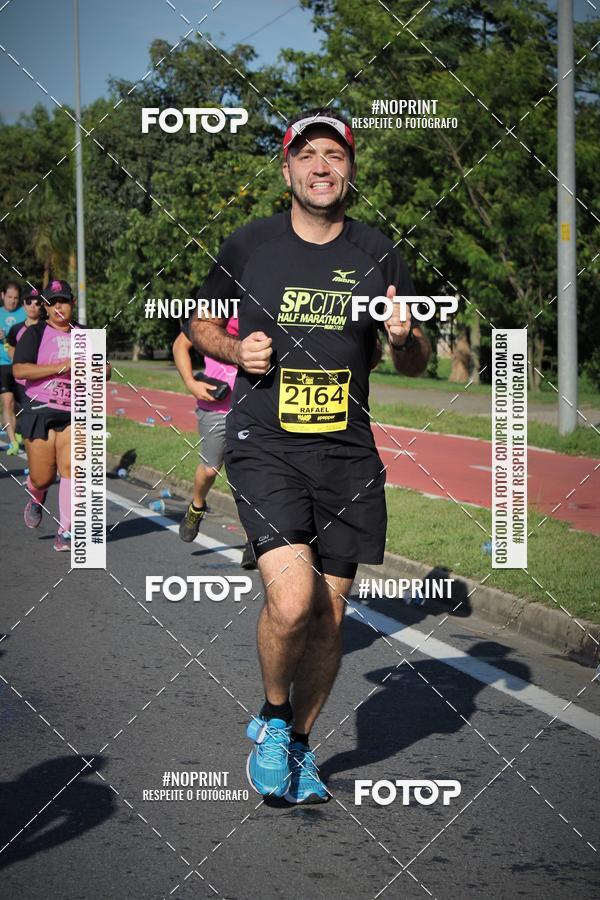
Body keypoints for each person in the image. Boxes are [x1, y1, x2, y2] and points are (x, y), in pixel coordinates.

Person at [189, 110, 431, 804]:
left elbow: (413, 362)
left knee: (329, 615)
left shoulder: (380, 252)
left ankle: (298, 742)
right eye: (307, 155)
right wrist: (234, 348)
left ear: (350, 169)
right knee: (293, 602)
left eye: (334, 154)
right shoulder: (250, 244)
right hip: (265, 443)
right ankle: (272, 719)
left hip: (347, 454)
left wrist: (404, 337)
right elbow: (199, 321)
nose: (321, 166)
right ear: (286, 168)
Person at [13, 279, 110, 550]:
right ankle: (36, 496)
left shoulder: (86, 334)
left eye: (63, 301)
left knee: (72, 470)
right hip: (39, 409)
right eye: (52, 303)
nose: (58, 307)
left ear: (72, 304)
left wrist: (94, 368)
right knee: (42, 477)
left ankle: (65, 531)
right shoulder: (35, 333)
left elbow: (107, 369)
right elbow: (20, 370)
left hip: (75, 410)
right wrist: (61, 367)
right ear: (45, 307)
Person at [173, 313, 256, 569]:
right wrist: (191, 383)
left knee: (248, 474)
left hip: (253, 409)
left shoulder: (265, 303)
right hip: (216, 407)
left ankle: (252, 540)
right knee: (210, 469)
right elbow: (180, 345)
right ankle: (197, 506)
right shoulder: (215, 308)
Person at [6, 286, 45, 410]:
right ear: (23, 305)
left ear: (42, 305)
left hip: (42, 380)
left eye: (37, 303)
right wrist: (18, 362)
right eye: (29, 302)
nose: (32, 305)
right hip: (21, 382)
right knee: (22, 411)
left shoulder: (47, 328)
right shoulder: (16, 329)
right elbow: (10, 347)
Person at [0, 280, 26, 455]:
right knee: (7, 402)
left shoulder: (24, 313)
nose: (13, 301)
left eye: (16, 298)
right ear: (2, 296)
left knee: (22, 404)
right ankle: (13, 442)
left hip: (21, 363)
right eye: (9, 297)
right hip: (2, 364)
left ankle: (18, 429)